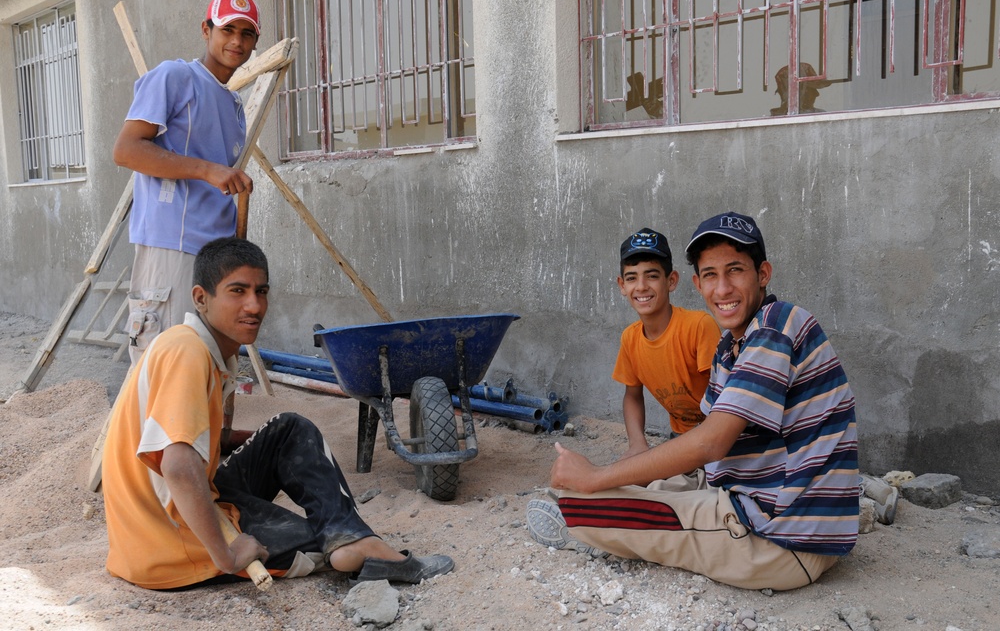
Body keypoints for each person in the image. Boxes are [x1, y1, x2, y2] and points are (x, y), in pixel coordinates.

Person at [527, 212, 859, 591]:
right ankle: (595, 498)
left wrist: (595, 478)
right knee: (646, 485)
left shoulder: (775, 325)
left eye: (735, 270)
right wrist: (638, 469)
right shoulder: (733, 344)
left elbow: (709, 441)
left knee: (587, 503)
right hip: (761, 503)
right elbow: (712, 448)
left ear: (763, 274)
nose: (722, 289)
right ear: (697, 284)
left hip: (780, 541)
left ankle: (573, 521)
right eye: (711, 276)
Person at [102, 237, 454, 590]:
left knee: (288, 430)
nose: (254, 306)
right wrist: (228, 553)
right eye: (237, 291)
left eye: (261, 291)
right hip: (170, 541)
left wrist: (251, 442)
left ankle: (351, 538)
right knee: (312, 540)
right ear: (200, 298)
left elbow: (190, 441)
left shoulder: (195, 347)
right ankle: (352, 545)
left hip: (183, 508)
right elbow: (178, 466)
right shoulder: (188, 353)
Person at [113, 0, 262, 365]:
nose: (237, 41)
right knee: (162, 369)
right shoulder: (174, 77)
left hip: (215, 258)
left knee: (207, 370)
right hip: (172, 248)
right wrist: (209, 170)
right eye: (228, 29)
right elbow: (127, 150)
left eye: (247, 34)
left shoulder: (233, 105)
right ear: (206, 29)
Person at [614, 228, 720, 459]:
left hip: (722, 439)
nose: (641, 286)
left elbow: (724, 397)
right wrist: (637, 444)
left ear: (671, 281)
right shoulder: (630, 338)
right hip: (681, 438)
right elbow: (632, 395)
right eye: (632, 278)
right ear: (622, 285)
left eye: (652, 275)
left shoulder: (699, 326)